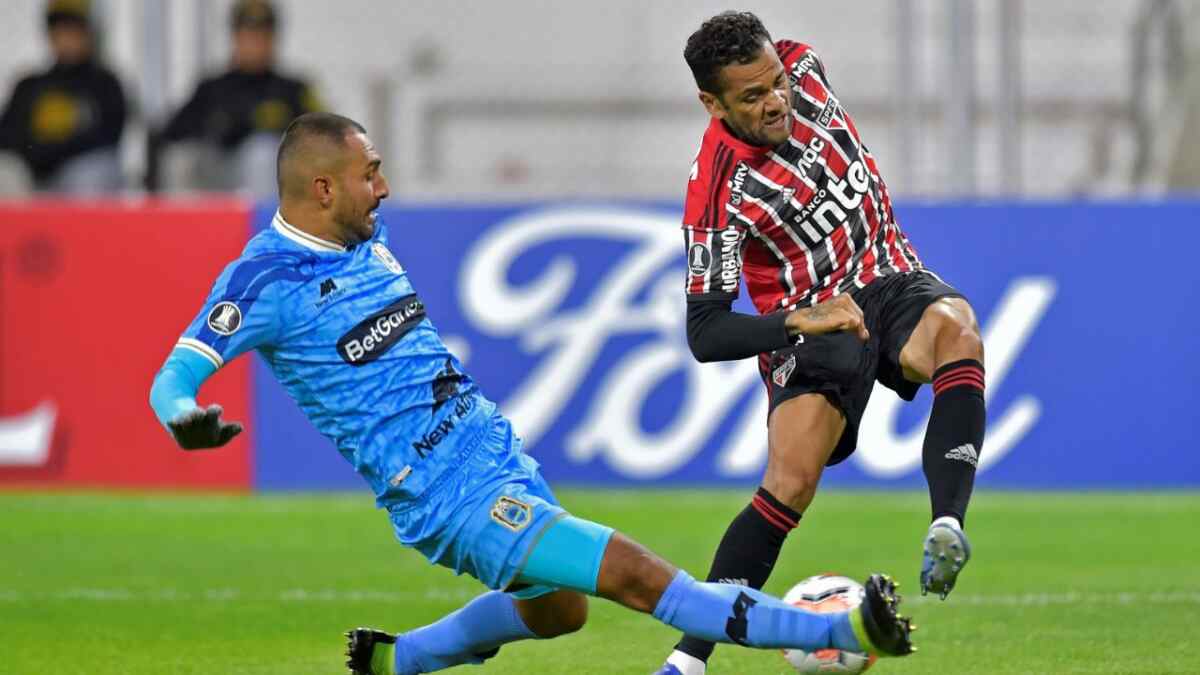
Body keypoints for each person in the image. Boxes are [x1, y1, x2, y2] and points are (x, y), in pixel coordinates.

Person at [148, 112, 916, 675]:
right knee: (639, 576)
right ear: (323, 188)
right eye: (369, 172)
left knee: (561, 610)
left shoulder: (360, 237)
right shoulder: (263, 281)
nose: (383, 186)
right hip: (445, 494)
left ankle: (400, 659)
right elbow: (174, 374)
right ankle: (852, 630)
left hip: (490, 448)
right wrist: (184, 413)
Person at [656, 11, 986, 675]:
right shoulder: (718, 191)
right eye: (751, 96)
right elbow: (705, 330)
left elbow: (805, 106)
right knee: (790, 481)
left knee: (957, 330)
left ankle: (947, 522)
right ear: (711, 103)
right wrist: (800, 320)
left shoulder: (805, 66)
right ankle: (687, 662)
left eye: (774, 82)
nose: (775, 99)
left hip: (888, 277)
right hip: (814, 324)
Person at [154, 0, 320, 195]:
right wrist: (215, 128)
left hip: (276, 186)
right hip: (219, 173)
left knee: (262, 153)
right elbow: (172, 133)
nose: (255, 43)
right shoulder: (213, 88)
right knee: (180, 159)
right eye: (248, 35)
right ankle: (182, 224)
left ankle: (266, 225)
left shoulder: (293, 90)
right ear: (235, 37)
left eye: (262, 36)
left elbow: (322, 140)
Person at [0, 0, 126, 192]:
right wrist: (38, 156)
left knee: (93, 170)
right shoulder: (29, 85)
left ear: (89, 34)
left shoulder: (104, 84)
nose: (67, 38)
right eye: (60, 30)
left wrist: (54, 152)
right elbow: (8, 136)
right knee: (6, 170)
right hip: (35, 177)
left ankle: (82, 224)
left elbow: (106, 139)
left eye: (74, 30)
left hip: (76, 176)